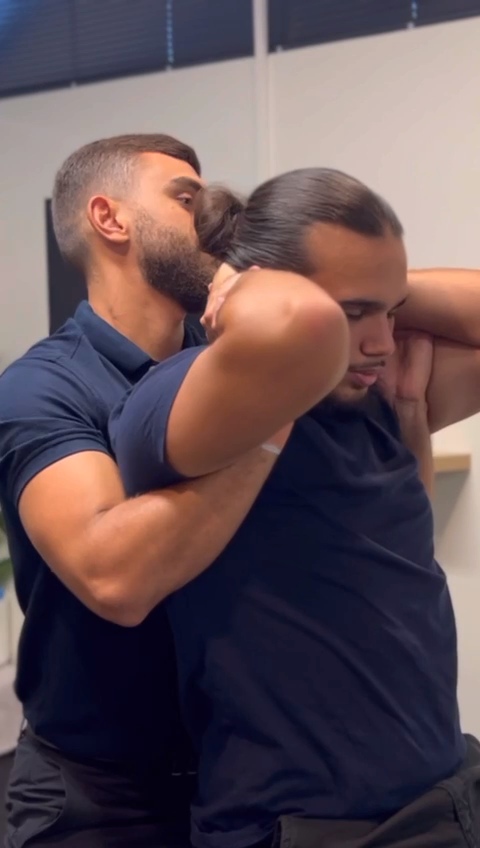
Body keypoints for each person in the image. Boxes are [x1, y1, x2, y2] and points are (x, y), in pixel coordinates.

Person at [111, 168, 480, 848]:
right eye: (353, 313)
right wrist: (236, 281)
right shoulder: (170, 399)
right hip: (304, 828)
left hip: (441, 797)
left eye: (391, 312)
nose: (381, 341)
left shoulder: (377, 399)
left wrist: (379, 288)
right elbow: (295, 325)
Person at [0, 135, 340, 848]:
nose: (214, 216)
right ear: (109, 218)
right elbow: (114, 578)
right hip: (100, 797)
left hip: (242, 779)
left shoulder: (233, 359)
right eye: (186, 199)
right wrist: (270, 425)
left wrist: (327, 301)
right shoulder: (40, 389)